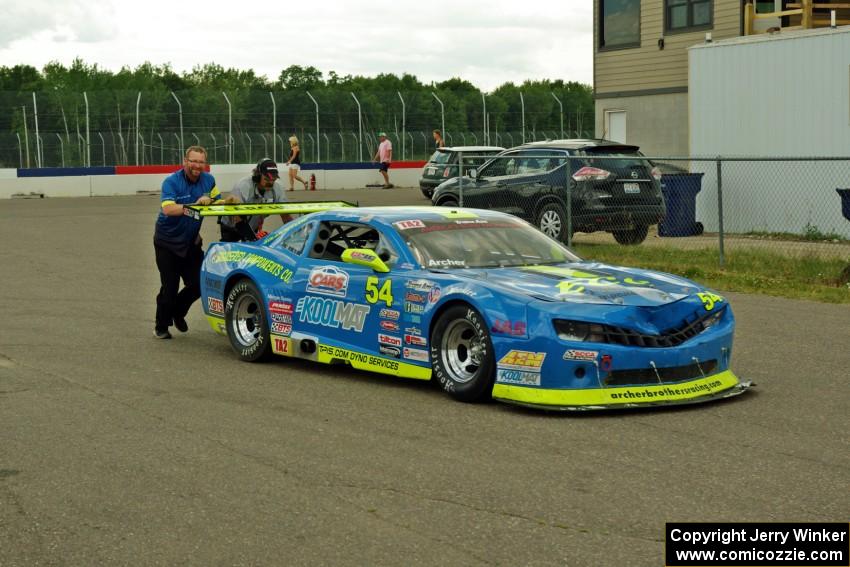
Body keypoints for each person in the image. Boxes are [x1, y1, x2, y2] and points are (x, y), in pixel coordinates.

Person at [153, 146, 219, 339]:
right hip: (167, 242)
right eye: (194, 161)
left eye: (201, 162)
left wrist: (222, 202)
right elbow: (168, 209)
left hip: (191, 243)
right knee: (170, 288)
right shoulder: (171, 182)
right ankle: (161, 326)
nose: (197, 166)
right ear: (185, 161)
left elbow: (217, 202)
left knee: (200, 283)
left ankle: (178, 312)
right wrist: (195, 206)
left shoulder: (209, 180)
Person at [219, 158, 294, 242]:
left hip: (251, 226)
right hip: (232, 226)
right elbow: (238, 219)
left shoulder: (277, 188)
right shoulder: (243, 186)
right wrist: (253, 239)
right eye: (266, 179)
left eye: (273, 180)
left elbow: (286, 216)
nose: (271, 183)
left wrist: (296, 232)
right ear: (258, 175)